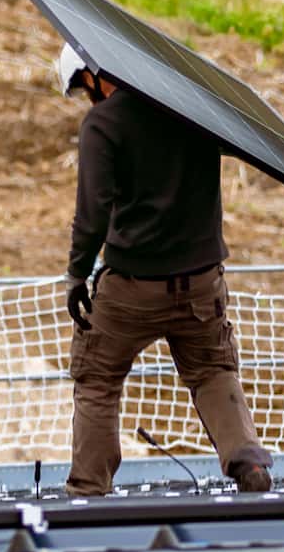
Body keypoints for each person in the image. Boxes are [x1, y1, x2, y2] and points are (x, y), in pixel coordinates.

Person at [57, 43, 272, 496]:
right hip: (202, 282)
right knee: (212, 371)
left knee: (97, 377)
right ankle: (248, 462)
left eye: (82, 86)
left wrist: (77, 273)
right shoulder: (189, 105)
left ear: (96, 74)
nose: (88, 98)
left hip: (131, 287)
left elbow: (92, 212)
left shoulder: (103, 123)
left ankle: (88, 489)